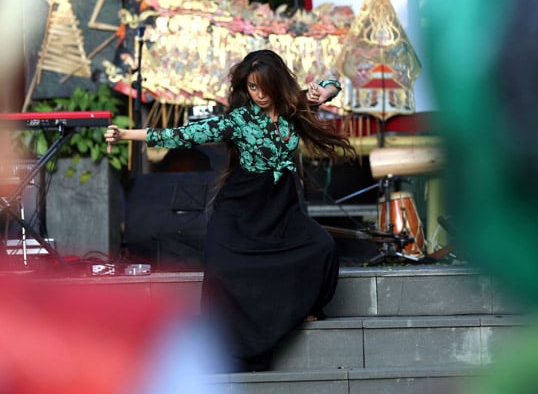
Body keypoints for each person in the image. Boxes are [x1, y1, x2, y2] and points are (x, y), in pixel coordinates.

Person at [105, 49, 357, 372]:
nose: (260, 94)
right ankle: (225, 342)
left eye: (264, 86)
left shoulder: (293, 106)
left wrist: (324, 91)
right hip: (240, 208)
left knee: (321, 247)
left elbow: (333, 83)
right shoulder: (239, 120)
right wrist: (127, 134)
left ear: (277, 83)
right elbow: (183, 135)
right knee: (222, 268)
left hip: (281, 208)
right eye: (252, 87)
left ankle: (305, 307)